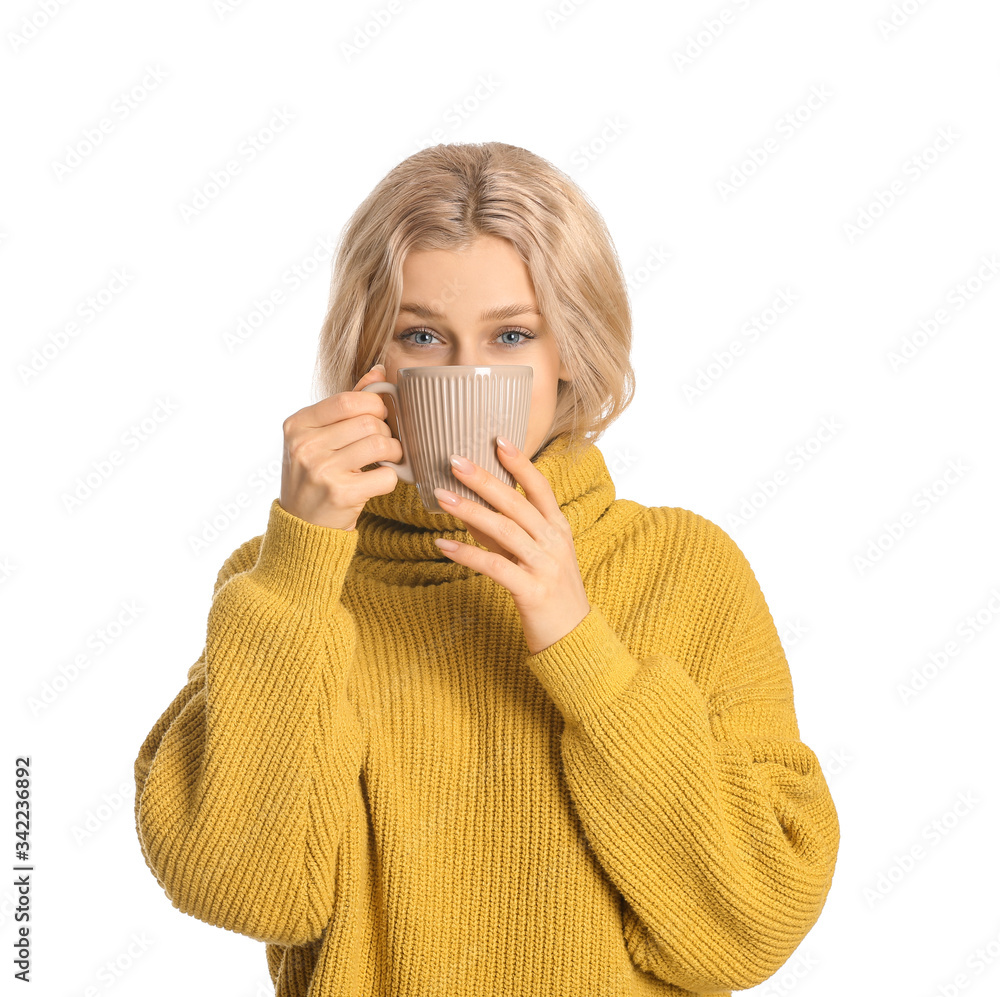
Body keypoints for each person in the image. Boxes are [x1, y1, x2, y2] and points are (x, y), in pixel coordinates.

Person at [133, 141, 840, 997]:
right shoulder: (288, 581)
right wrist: (299, 566)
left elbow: (752, 925)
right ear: (372, 355)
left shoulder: (684, 568)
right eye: (423, 335)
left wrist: (582, 647)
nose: (464, 375)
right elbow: (240, 885)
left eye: (511, 335)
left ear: (568, 351)